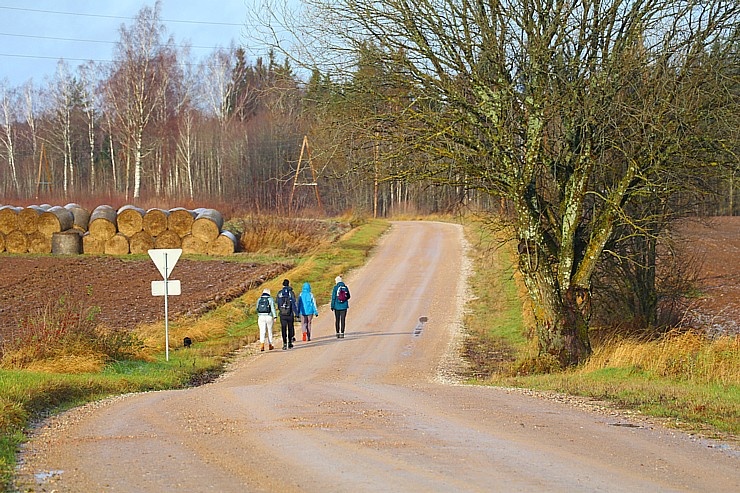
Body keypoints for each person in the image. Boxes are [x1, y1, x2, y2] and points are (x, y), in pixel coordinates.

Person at [276, 279, 299, 350]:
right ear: (288, 284)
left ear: (282, 284)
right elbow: (294, 304)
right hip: (290, 314)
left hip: (282, 314)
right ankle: (290, 343)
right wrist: (297, 313)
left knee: (283, 328)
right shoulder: (291, 293)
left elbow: (277, 303)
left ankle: (284, 343)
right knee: (290, 328)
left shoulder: (279, 293)